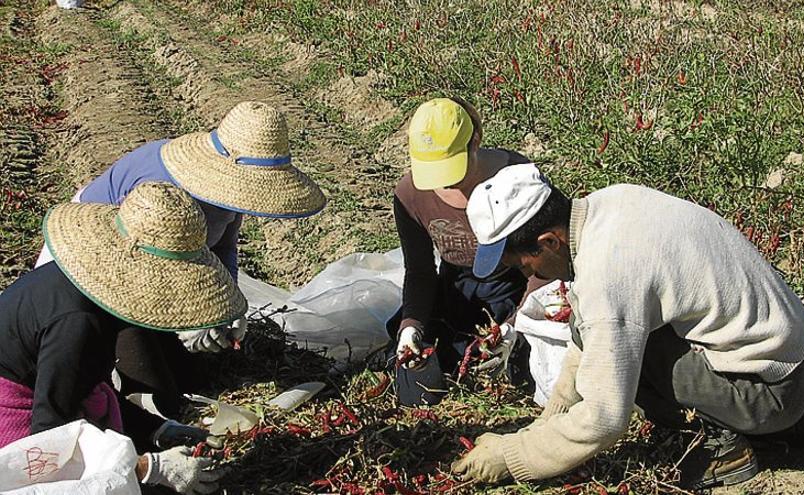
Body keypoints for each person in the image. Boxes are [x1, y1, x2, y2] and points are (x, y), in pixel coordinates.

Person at [451, 163, 804, 489]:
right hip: (792, 351)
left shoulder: (609, 271)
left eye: (524, 263)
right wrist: (547, 421)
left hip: (770, 389)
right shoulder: (610, 205)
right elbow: (589, 332)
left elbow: (604, 418)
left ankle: (734, 448)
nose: (532, 275)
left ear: (549, 242)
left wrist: (513, 457)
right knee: (611, 338)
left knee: (628, 368)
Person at [34, 100, 326, 419]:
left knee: (195, 380)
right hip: (95, 280)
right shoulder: (160, 192)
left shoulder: (226, 192)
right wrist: (191, 321)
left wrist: (226, 307)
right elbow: (132, 277)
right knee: (157, 397)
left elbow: (223, 246)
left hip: (155, 282)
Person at [0, 182, 248, 493]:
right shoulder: (79, 325)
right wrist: (150, 468)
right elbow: (52, 438)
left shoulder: (84, 288)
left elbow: (82, 383)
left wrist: (158, 430)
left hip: (42, 391)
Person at [389, 97, 544, 406]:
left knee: (525, 362)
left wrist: (519, 322)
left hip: (513, 284)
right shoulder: (410, 195)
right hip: (457, 286)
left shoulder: (517, 178)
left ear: (476, 141)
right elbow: (420, 271)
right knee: (411, 341)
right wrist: (411, 326)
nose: (445, 182)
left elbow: (544, 265)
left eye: (451, 167)